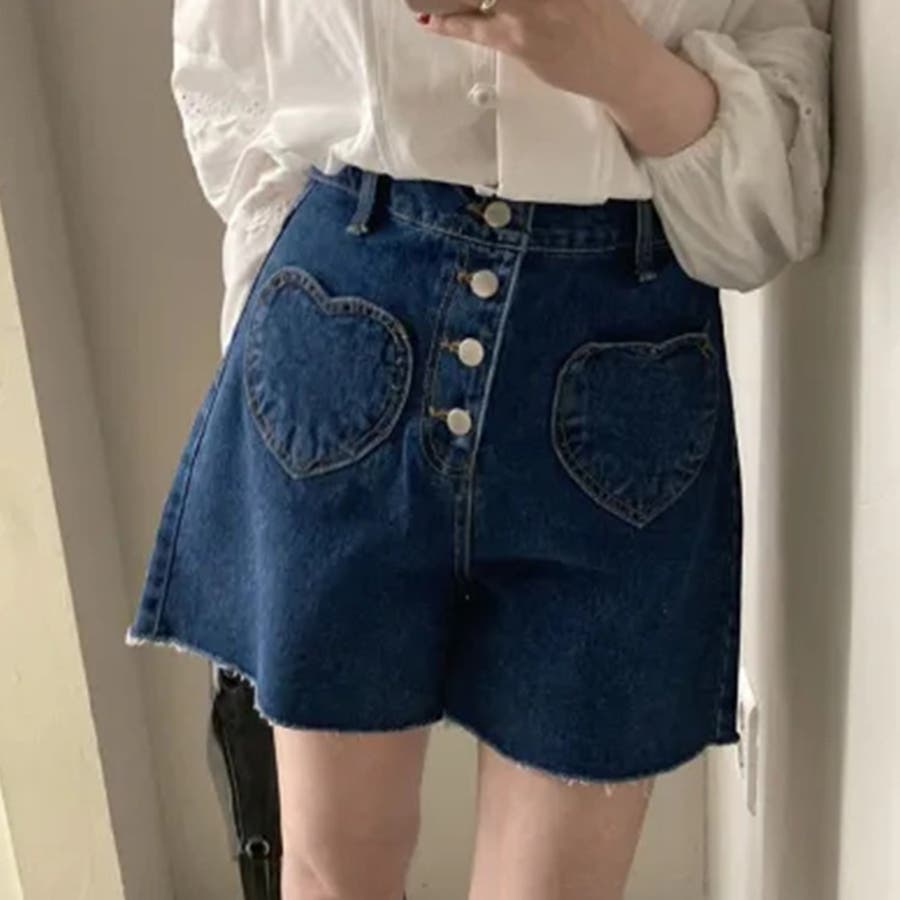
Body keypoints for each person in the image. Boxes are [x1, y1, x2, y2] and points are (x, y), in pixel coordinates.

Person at [127, 0, 831, 897]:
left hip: (623, 383)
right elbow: (234, 97)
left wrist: (612, 59)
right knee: (334, 872)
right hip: (339, 329)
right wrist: (275, 347)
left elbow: (767, 216)